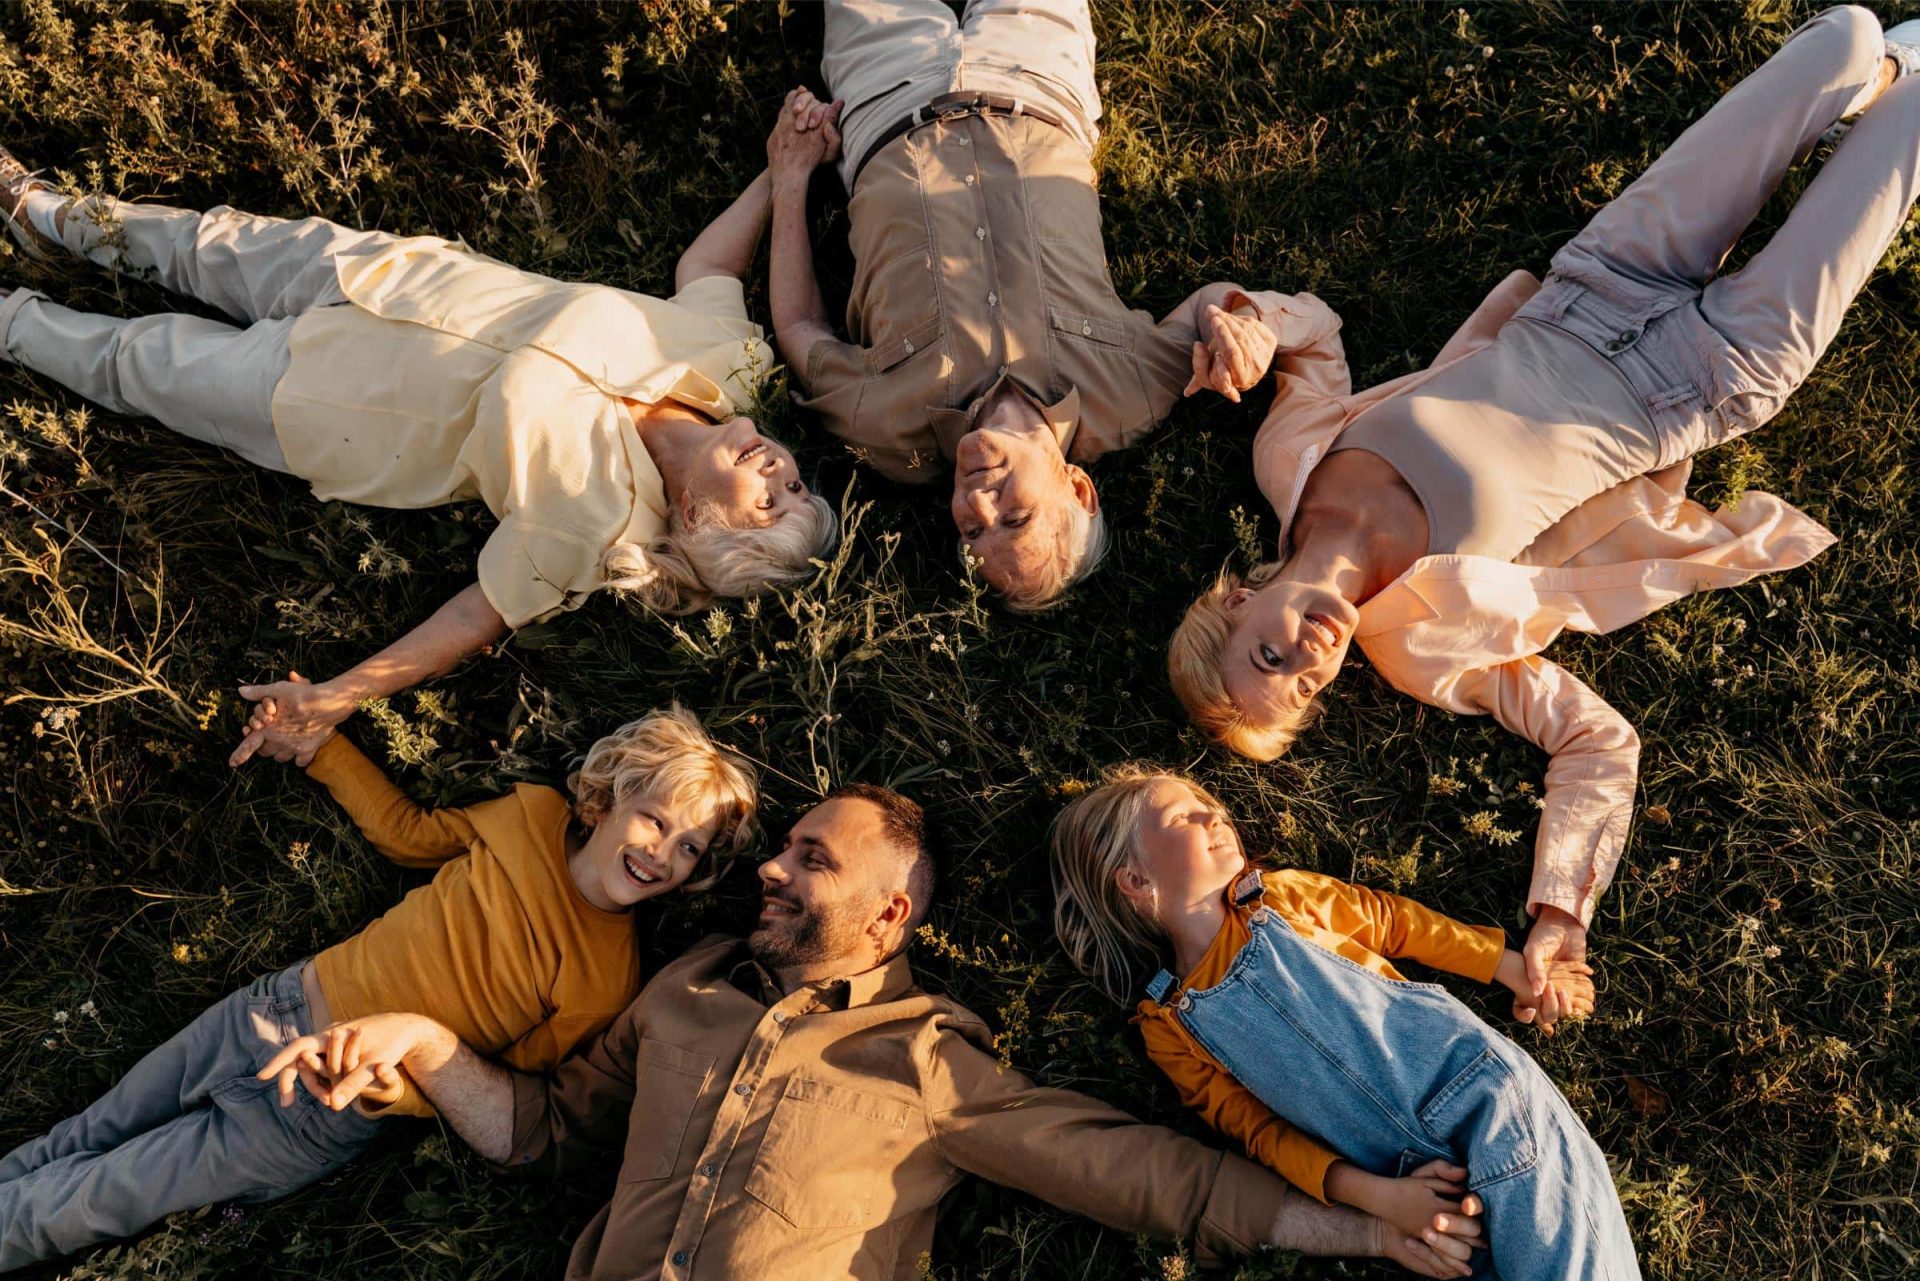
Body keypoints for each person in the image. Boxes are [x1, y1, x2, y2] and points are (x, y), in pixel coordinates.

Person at [1167, 6, 1920, 1020]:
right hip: (1704, 380)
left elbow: (1316, 338)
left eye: (1268, 661)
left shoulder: (1289, 457)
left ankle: (1872, 88)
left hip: (1600, 281)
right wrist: (1560, 911)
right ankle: (1888, 113)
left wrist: (1250, 325)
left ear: (1238, 598)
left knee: (1846, 37)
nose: (1307, 666)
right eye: (1303, 694)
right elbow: (1592, 738)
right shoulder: (1426, 649)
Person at [260, 786, 1486, 1280]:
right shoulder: (686, 991)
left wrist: (1366, 1230)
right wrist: (423, 1043)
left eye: (811, 858)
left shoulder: (929, 1059)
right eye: (783, 852)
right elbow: (544, 1135)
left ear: (890, 911)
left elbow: (1141, 1175)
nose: (771, 875)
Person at [0, 147, 838, 768]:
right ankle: (43, 213)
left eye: (772, 503)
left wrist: (339, 694)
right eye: (796, 480)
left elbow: (475, 617)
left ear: (696, 519)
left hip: (327, 403)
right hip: (391, 275)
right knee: (198, 241)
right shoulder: (735, 368)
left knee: (135, 363)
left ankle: (11, 319)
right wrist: (784, 166)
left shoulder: (599, 530)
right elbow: (707, 266)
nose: (777, 470)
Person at [0, 704, 758, 1272]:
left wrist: (389, 1090)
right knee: (85, 1134)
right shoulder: (528, 816)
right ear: (603, 802)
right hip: (275, 1004)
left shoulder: (606, 980)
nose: (662, 853)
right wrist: (323, 746)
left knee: (96, 1198)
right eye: (653, 820)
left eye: (689, 848)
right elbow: (409, 833)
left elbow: (497, 1088)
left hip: (321, 1105)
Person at [765, 0, 1297, 610]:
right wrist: (1239, 325)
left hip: (887, 96)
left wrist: (791, 176)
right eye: (1014, 517)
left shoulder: (884, 429)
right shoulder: (1129, 397)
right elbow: (1209, 305)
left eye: (970, 530)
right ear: (1078, 489)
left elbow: (800, 325)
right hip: (1035, 76)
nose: (977, 503)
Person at [1049, 766, 1636, 1280]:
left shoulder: (1276, 898)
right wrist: (1382, 1200)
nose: (1214, 816)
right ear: (1134, 881)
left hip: (1487, 1100)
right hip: (1420, 1185)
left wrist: (1510, 968)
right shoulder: (1168, 1025)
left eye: (1214, 808)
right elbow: (1260, 1135)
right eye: (1184, 816)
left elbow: (1392, 922)